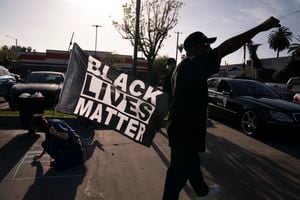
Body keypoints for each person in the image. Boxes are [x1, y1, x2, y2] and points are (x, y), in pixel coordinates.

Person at [163, 16, 281, 200]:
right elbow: (225, 48)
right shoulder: (193, 64)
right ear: (194, 48)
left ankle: (202, 191)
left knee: (191, 161)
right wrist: (260, 27)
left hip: (183, 127)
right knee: (177, 173)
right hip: (185, 129)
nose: (209, 48)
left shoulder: (182, 67)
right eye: (205, 45)